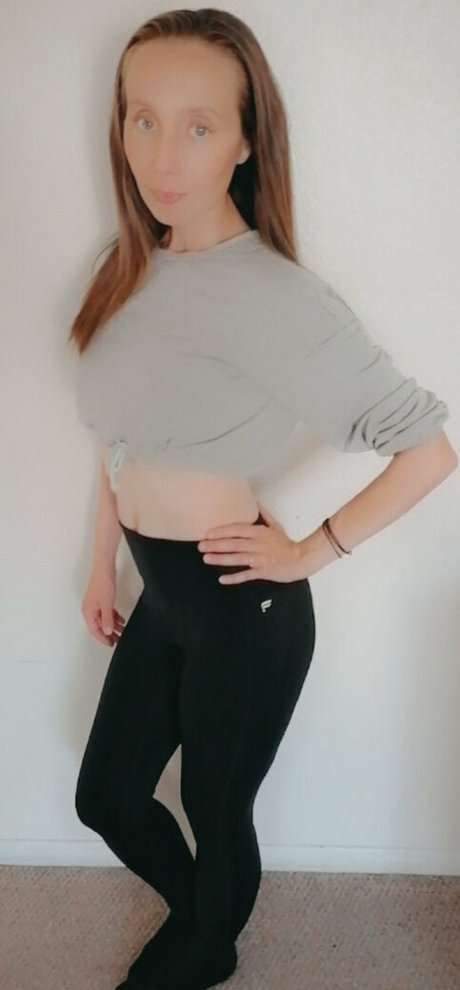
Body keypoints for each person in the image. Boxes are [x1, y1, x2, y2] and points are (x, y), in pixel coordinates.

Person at [68, 10, 458, 990]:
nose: (162, 155)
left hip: (247, 604)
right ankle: (207, 918)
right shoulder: (129, 267)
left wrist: (311, 548)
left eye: (198, 125)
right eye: (143, 119)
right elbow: (117, 436)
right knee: (106, 797)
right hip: (160, 592)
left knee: (214, 805)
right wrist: (101, 562)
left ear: (246, 140)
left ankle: (206, 951)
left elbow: (428, 449)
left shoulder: (278, 298)